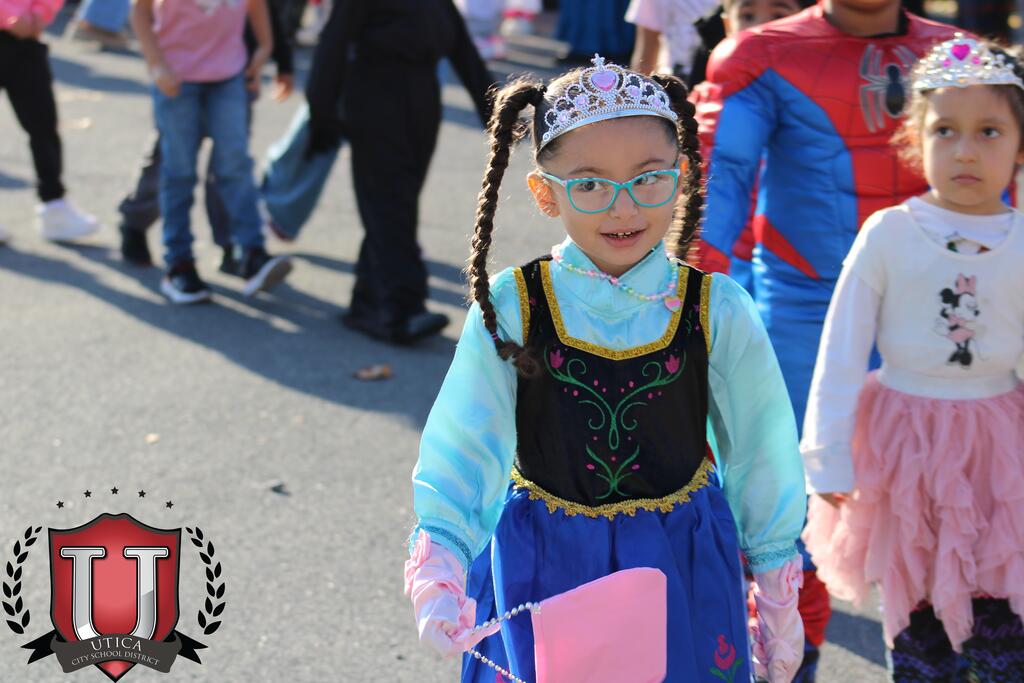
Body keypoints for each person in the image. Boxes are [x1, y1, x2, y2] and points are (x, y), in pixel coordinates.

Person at [404, 56, 808, 682]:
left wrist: (778, 592)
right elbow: (466, 440)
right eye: (589, 184)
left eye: (648, 178)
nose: (623, 207)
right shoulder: (515, 304)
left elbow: (762, 451)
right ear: (545, 192)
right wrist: (440, 563)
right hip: (545, 563)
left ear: (681, 177)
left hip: (679, 561)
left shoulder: (715, 308)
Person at [692, 1, 964, 677]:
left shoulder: (961, 58)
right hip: (803, 318)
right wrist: (683, 309)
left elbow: (1001, 205)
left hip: (938, 324)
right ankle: (786, 662)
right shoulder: (760, 54)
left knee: (950, 521)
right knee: (782, 517)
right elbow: (720, 181)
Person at [802, 37, 1024, 681]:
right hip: (903, 448)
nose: (965, 151)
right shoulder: (890, 233)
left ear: (1019, 144)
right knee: (917, 612)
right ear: (914, 139)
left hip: (998, 452)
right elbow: (842, 348)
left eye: (988, 132)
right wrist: (827, 457)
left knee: (1002, 615)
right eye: (944, 130)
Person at [302, 0, 494, 344]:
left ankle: (367, 302)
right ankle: (402, 309)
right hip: (375, 96)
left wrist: (495, 112)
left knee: (397, 202)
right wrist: (321, 113)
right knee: (388, 203)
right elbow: (334, 41)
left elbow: (462, 48)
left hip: (422, 98)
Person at [131, 0, 292, 304]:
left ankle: (252, 252)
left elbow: (257, 5)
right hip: (176, 77)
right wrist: (156, 64)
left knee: (235, 166)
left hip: (228, 76)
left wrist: (265, 47)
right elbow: (140, 10)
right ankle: (179, 262)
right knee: (179, 172)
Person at [0, 0, 100, 245]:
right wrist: (7, 15)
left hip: (26, 40)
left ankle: (55, 207)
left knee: (43, 125)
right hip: (12, 25)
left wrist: (39, 14)